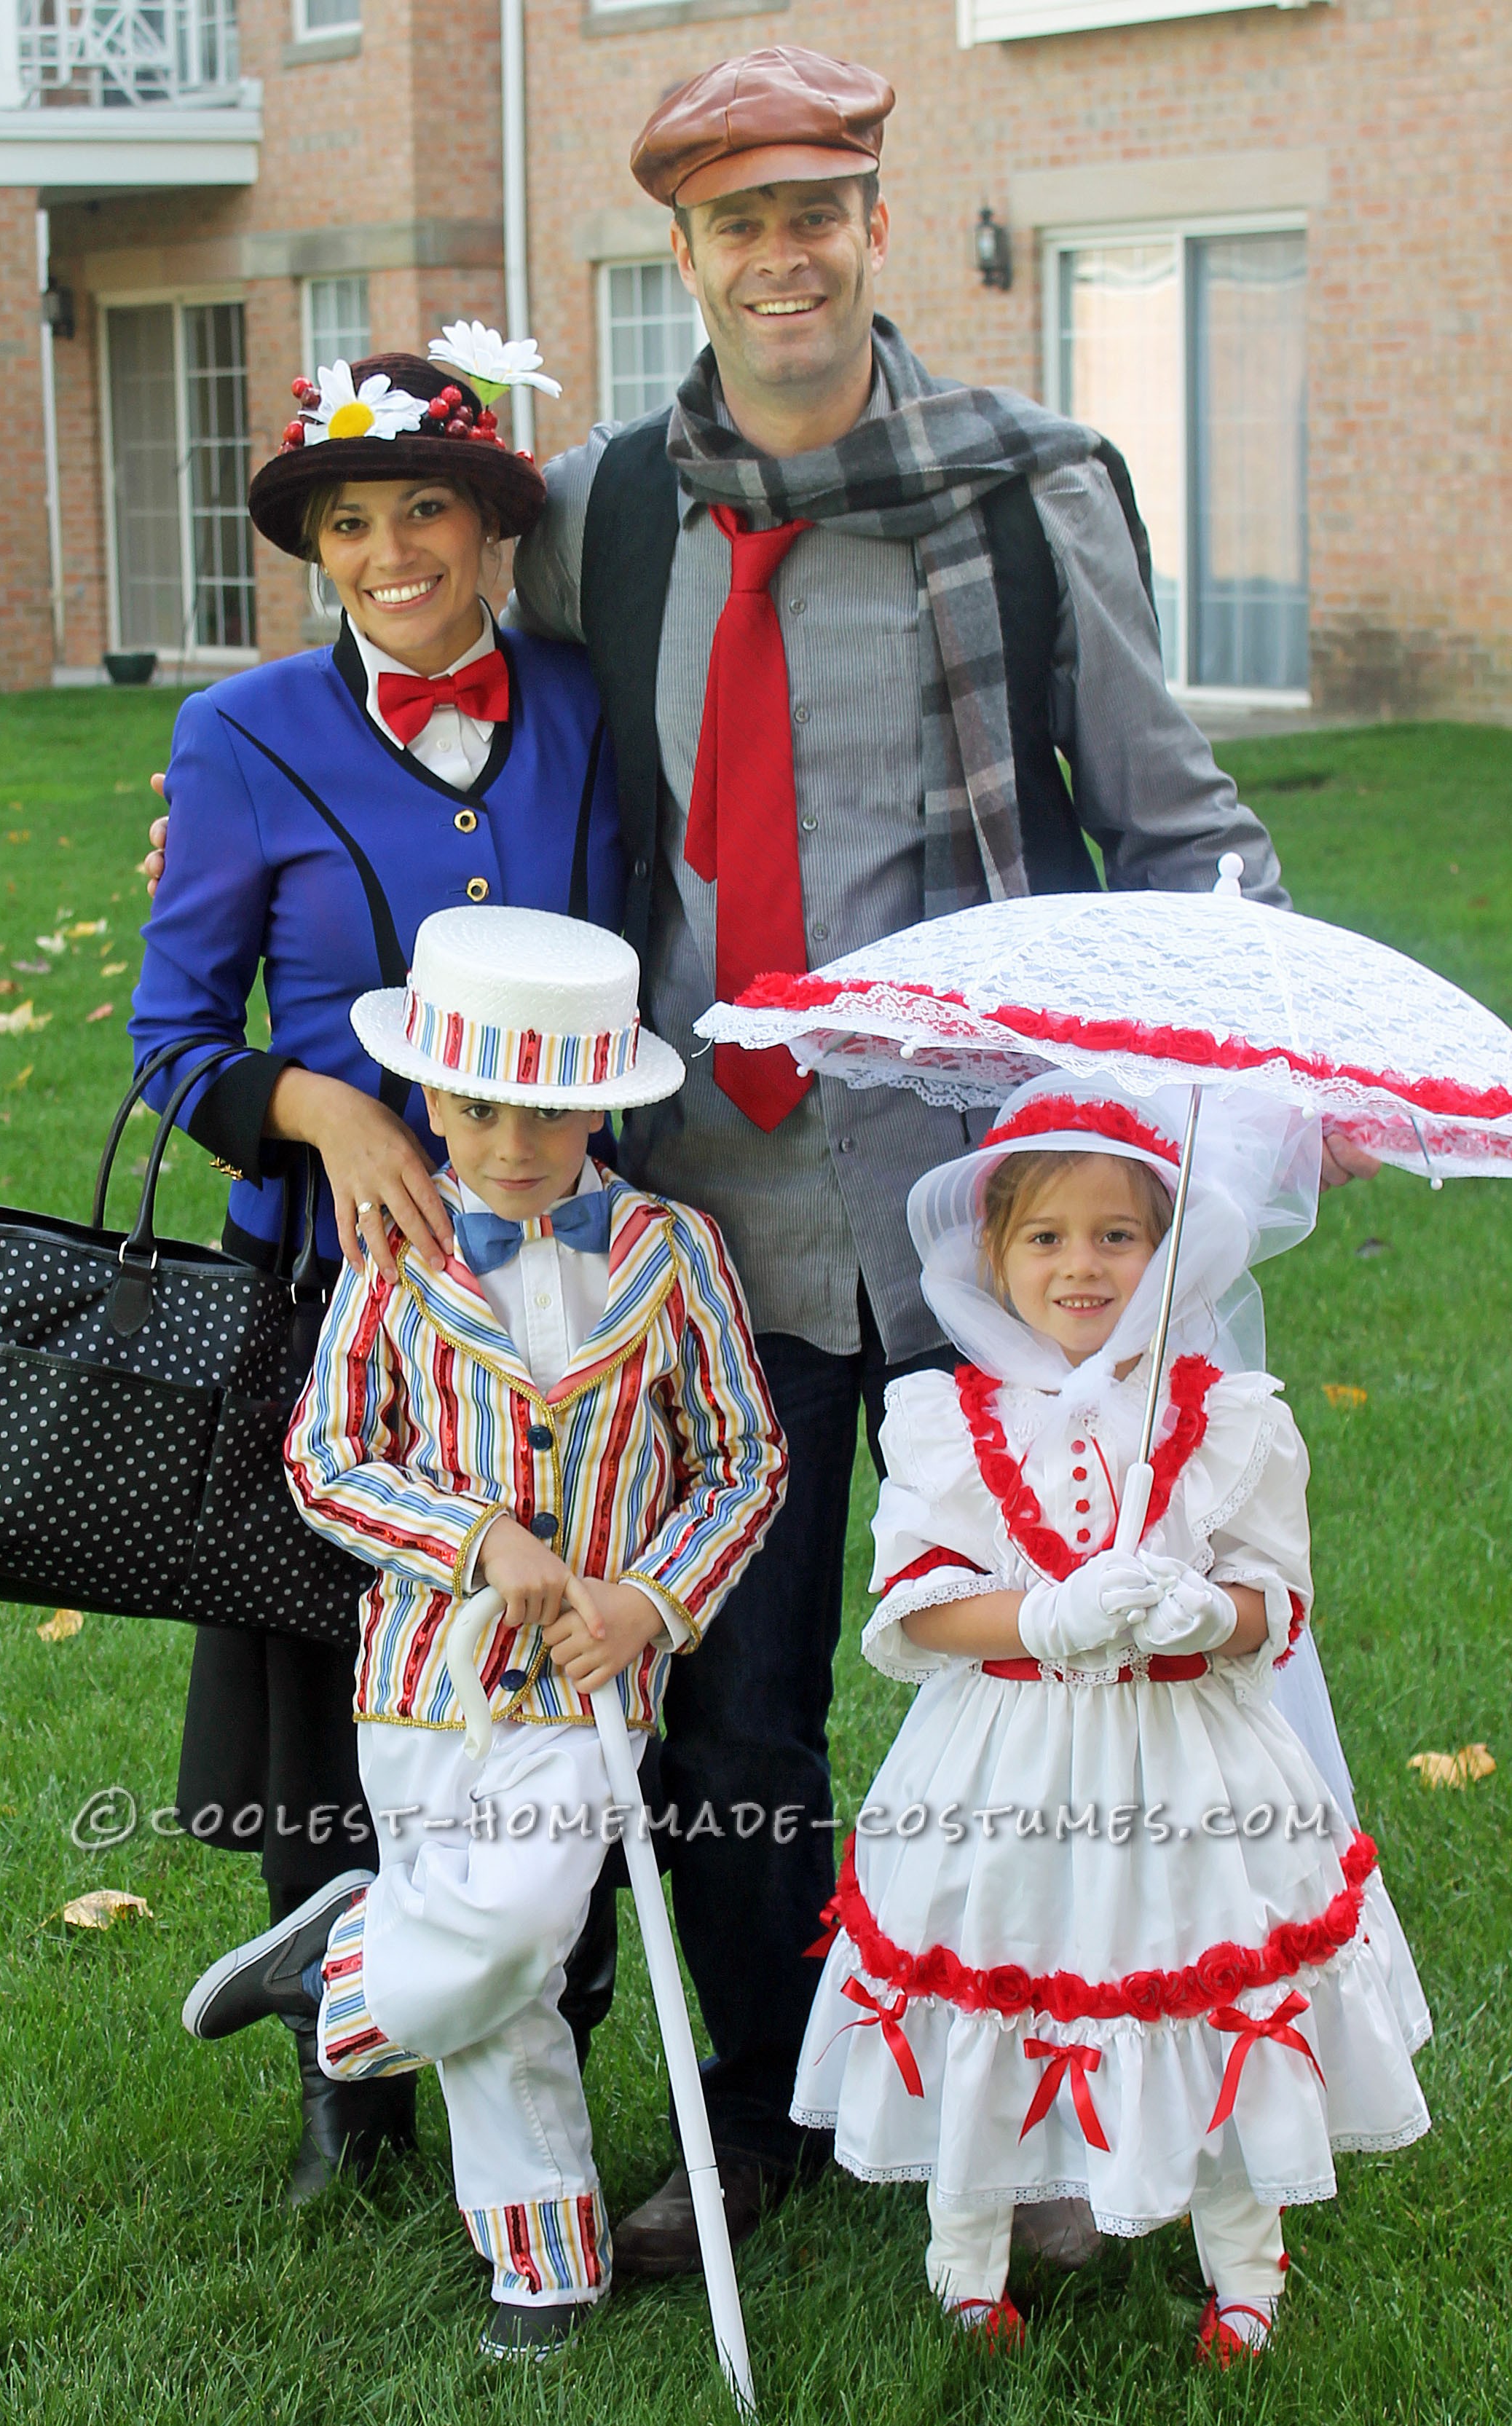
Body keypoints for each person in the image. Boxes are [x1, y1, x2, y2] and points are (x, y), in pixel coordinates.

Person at [140, 46, 1377, 2268]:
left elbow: (1182, 827)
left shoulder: (1022, 487)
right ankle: (779, 2083)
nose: (781, 251)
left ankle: (1066, 2074)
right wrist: (264, 901)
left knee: (1038, 1656)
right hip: (706, 1207)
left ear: (871, 221)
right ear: (682, 255)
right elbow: (474, 739)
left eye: (816, 206)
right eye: (733, 221)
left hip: (989, 1205)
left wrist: (1257, 1057)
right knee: (730, 1693)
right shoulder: (616, 506)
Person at [129, 334, 623, 2202]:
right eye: (352, 519)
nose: (393, 548)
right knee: (354, 1672)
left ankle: (546, 2025)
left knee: (553, 1655)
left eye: (428, 506)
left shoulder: (584, 705)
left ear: (496, 529)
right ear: (317, 549)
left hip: (566, 1289)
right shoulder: (239, 734)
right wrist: (325, 1114)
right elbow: (176, 1036)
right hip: (347, 1298)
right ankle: (359, 2073)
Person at [177, 907, 787, 2360]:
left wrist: (644, 1601)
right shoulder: (394, 1254)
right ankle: (543, 2253)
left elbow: (745, 1459)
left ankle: (349, 1968)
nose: (510, 1144)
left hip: (589, 1692)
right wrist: (475, 1539)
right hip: (421, 1679)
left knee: (522, 1923)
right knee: (501, 1997)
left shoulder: (675, 1254)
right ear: (427, 1100)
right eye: (473, 1106)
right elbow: (328, 1457)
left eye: (549, 1110)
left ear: (604, 1107)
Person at [790, 1077, 1431, 2360]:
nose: (1081, 1266)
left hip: (1192, 1762)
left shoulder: (1229, 1421)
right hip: (1004, 1761)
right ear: (994, 1256)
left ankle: (1243, 2262)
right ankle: (966, 2253)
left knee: (1208, 1974)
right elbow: (914, 1613)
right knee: (994, 1971)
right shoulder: (945, 1424)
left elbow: (1275, 1605)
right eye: (1046, 1238)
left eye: (1117, 1236)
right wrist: (1043, 1622)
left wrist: (1206, 1614)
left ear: (1167, 1253)